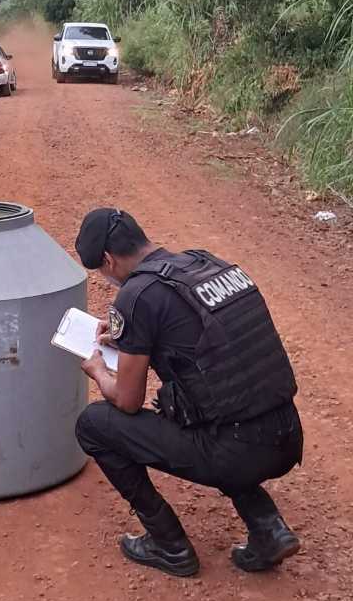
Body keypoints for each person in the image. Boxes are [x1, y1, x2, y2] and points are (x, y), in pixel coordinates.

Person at [74, 207, 303, 579]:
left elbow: (127, 401)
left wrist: (98, 370)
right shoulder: (204, 264)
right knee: (207, 409)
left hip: (237, 452)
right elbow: (205, 341)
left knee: (94, 424)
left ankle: (168, 544)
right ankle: (267, 528)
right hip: (287, 435)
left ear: (107, 260)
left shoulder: (136, 295)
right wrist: (128, 335)